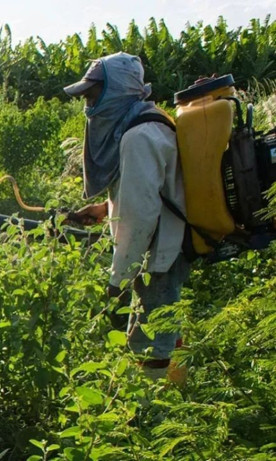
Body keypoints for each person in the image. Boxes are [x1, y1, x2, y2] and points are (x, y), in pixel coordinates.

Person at [64, 52, 190, 380]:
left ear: (118, 91)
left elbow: (139, 220)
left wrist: (116, 282)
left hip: (160, 251)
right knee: (160, 327)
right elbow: (147, 192)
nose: (89, 106)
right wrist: (106, 209)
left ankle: (156, 414)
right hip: (159, 244)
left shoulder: (138, 136)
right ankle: (177, 395)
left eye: (93, 95)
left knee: (151, 342)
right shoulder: (141, 123)